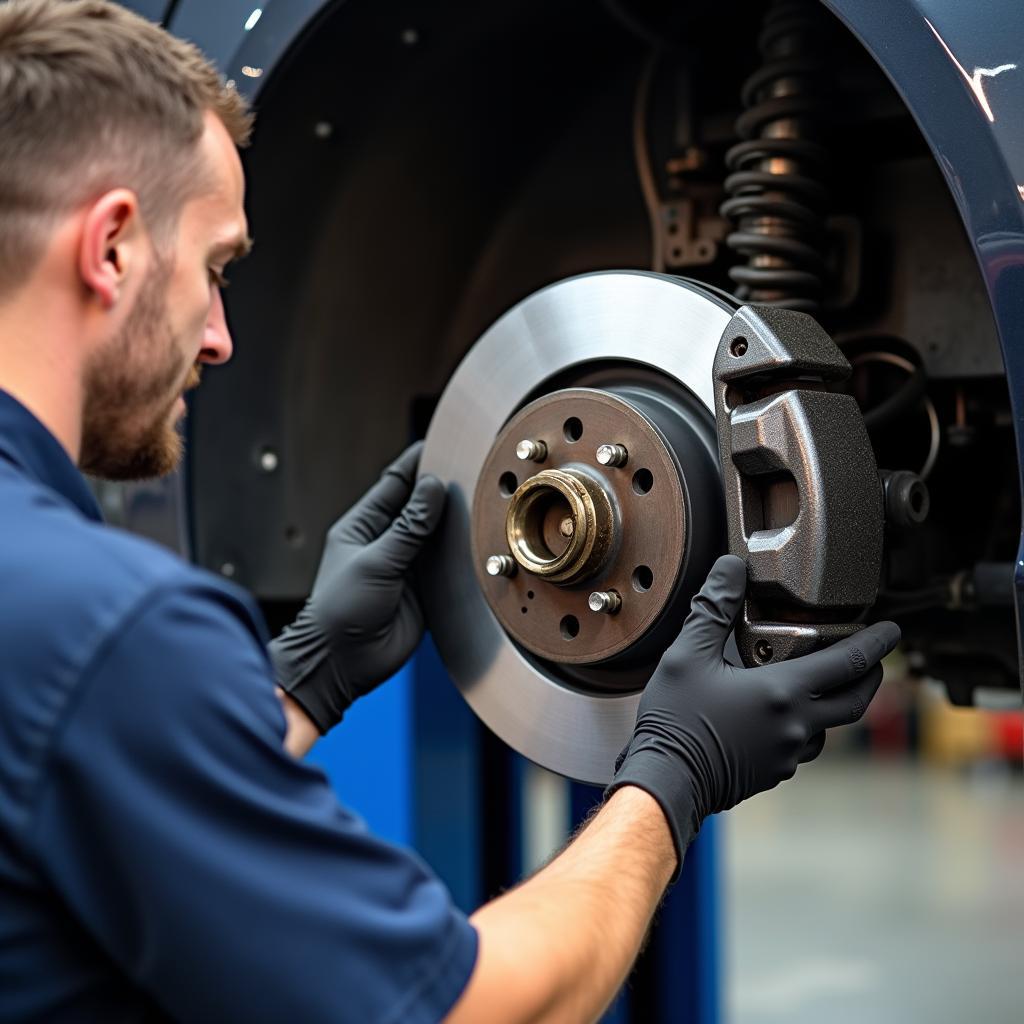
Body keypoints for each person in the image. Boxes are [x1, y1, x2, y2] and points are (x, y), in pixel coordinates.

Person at [0, 2, 900, 1021]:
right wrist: (671, 776)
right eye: (213, 270)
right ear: (110, 246)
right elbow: (470, 1009)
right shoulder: (106, 627)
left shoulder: (49, 611)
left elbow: (85, 794)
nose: (219, 339)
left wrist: (301, 678)